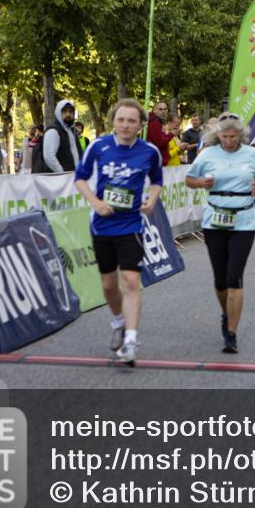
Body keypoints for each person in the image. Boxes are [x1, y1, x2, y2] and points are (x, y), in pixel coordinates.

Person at [74, 99, 163, 366]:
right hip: (102, 226)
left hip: (131, 225)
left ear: (140, 125)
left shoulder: (149, 151)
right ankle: (119, 322)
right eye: (121, 120)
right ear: (114, 121)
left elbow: (157, 180)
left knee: (132, 281)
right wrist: (96, 202)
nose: (125, 125)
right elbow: (79, 177)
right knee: (108, 285)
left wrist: (152, 199)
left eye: (132, 121)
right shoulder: (98, 146)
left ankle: (131, 341)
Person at [185, 113, 255, 353]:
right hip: (215, 219)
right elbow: (189, 179)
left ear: (240, 135)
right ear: (217, 135)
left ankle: (231, 333)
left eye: (233, 137)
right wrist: (202, 184)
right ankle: (225, 312)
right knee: (220, 280)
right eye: (224, 137)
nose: (229, 141)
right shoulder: (208, 154)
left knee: (234, 277)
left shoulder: (251, 154)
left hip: (243, 218)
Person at [39, 100, 81, 173]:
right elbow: (49, 158)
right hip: (59, 180)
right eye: (64, 111)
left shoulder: (72, 132)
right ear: (58, 113)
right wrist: (62, 173)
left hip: (72, 178)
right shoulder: (53, 131)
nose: (68, 114)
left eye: (71, 111)